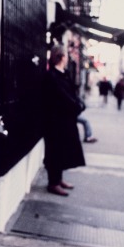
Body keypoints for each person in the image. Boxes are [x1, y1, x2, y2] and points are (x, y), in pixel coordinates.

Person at [42, 44, 86, 196]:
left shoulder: (64, 74)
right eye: (66, 56)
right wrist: (77, 106)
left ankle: (58, 179)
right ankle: (52, 183)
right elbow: (62, 97)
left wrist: (79, 103)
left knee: (62, 151)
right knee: (54, 151)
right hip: (55, 122)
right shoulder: (51, 76)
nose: (67, 59)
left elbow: (72, 94)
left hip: (65, 121)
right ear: (61, 57)